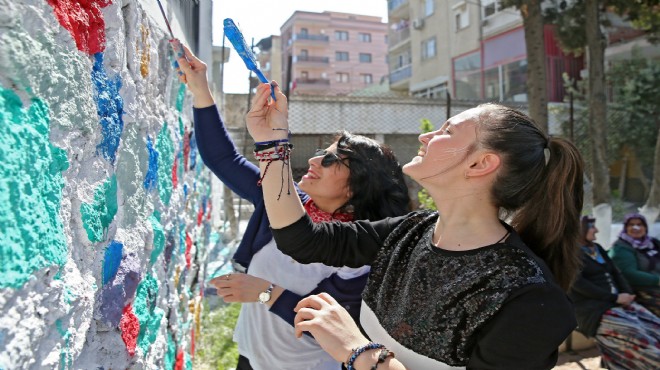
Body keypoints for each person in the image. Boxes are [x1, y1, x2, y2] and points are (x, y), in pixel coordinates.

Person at [247, 80, 586, 369]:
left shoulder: (529, 298)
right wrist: (272, 143)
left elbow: (357, 349)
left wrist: (356, 349)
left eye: (447, 131)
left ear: (482, 163)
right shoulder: (408, 233)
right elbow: (300, 239)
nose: (427, 136)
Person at [172, 42, 411, 370]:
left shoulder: (359, 250)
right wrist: (200, 88)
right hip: (249, 358)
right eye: (320, 152)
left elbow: (330, 330)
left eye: (330, 159)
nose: (314, 160)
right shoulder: (284, 201)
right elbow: (223, 158)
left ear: (359, 186)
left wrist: (265, 292)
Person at [570, 216, 660, 369]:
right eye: (592, 227)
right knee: (638, 336)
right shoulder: (570, 255)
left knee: (654, 326)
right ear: (580, 230)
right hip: (594, 310)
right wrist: (615, 297)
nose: (597, 230)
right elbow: (580, 285)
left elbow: (616, 273)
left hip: (619, 302)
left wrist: (627, 294)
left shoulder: (596, 248)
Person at [609, 213, 660, 317]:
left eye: (639, 224)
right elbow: (629, 274)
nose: (635, 227)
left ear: (645, 227)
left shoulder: (653, 243)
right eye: (631, 225)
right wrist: (657, 280)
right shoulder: (621, 248)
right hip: (641, 291)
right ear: (625, 228)